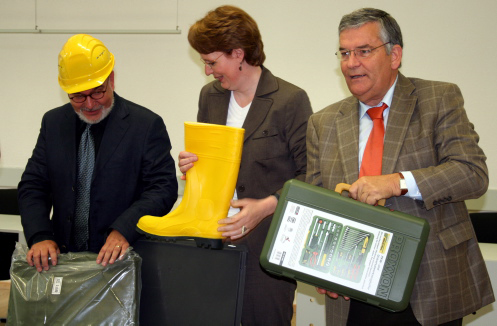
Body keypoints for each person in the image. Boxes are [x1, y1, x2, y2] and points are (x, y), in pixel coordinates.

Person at [306, 8, 494, 326]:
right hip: (353, 289)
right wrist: (319, 264)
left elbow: (472, 173)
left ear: (395, 55)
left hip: (428, 284)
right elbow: (317, 206)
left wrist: (397, 182)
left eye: (364, 51)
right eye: (345, 53)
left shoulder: (438, 99)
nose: (351, 63)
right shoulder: (323, 123)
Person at [179, 5, 313, 325]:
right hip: (212, 246)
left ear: (238, 53)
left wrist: (265, 207)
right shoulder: (209, 97)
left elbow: (311, 176)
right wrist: (191, 167)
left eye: (212, 62)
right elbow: (211, 170)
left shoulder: (289, 101)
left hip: (266, 251)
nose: (208, 71)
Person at [18, 34, 178, 272]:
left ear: (111, 79)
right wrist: (40, 235)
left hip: (121, 262)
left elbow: (163, 188)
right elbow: (33, 185)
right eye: (78, 96)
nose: (89, 104)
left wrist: (124, 228)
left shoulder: (145, 125)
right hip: (63, 262)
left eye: (97, 92)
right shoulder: (53, 122)